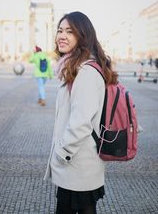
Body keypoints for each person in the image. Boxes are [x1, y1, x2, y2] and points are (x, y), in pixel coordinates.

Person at [44, 11, 118, 214]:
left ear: (82, 36)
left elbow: (80, 122)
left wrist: (62, 153)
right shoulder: (75, 68)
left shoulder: (85, 72)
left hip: (77, 162)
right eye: (59, 30)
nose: (62, 35)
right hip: (79, 164)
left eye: (69, 31)